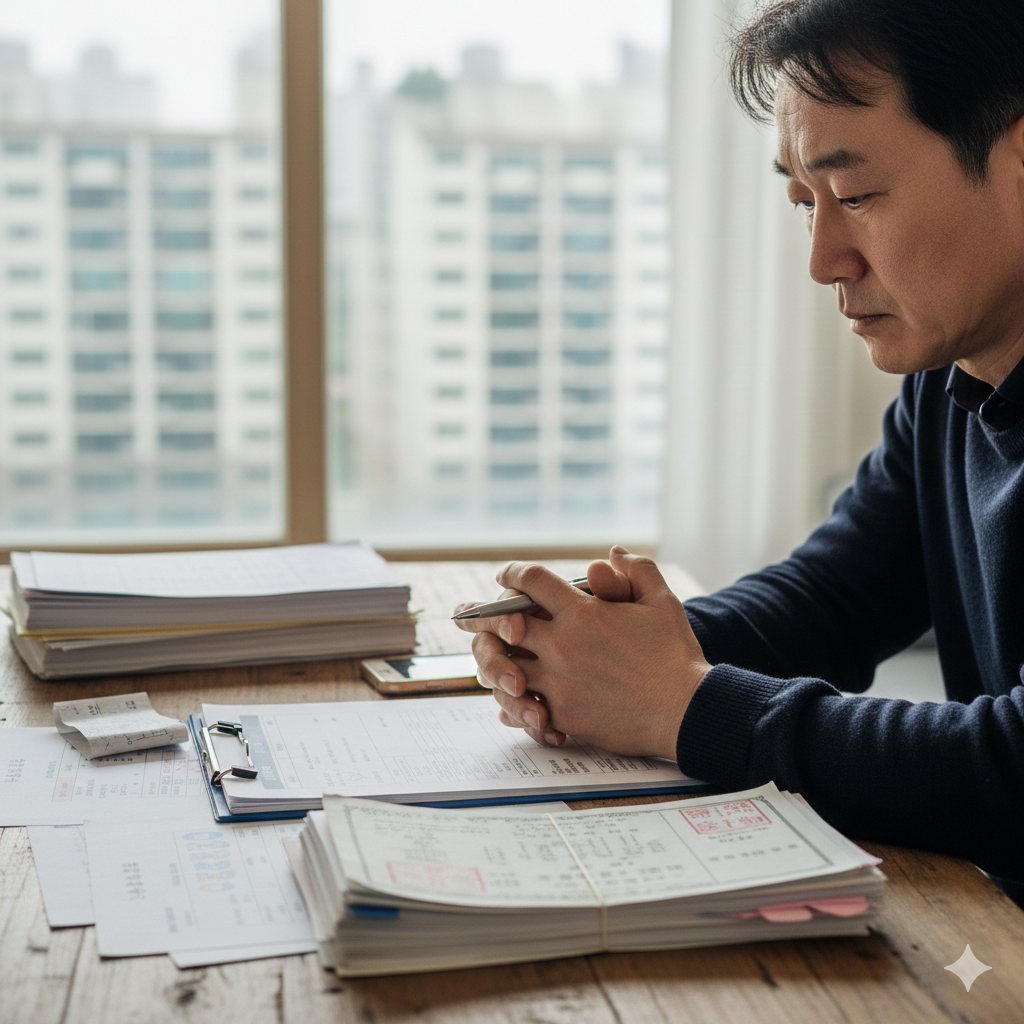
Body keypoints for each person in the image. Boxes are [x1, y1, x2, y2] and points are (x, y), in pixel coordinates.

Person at [454, 0, 1024, 900]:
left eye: (856, 196)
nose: (823, 258)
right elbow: (834, 599)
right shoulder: (950, 380)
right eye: (804, 203)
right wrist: (604, 652)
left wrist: (681, 705)